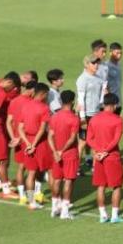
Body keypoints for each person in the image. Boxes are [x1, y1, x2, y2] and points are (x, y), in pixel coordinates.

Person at [87, 94, 123, 223]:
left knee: (101, 186)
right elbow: (116, 139)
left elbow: (89, 139)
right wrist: (105, 151)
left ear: (104, 104)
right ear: (114, 105)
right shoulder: (118, 120)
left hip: (98, 157)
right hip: (112, 157)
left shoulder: (94, 119)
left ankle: (102, 215)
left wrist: (98, 151)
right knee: (117, 186)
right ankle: (114, 216)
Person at [18, 82, 52, 210]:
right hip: (40, 143)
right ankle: (57, 201)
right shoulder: (44, 108)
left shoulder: (25, 105)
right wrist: (34, 144)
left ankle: (31, 202)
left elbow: (20, 128)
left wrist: (27, 143)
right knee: (50, 170)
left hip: (27, 141)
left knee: (31, 172)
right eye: (47, 95)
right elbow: (42, 129)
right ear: (42, 94)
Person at [47, 90, 80, 219]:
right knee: (69, 180)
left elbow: (50, 136)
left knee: (57, 180)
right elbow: (72, 139)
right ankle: (65, 211)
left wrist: (55, 151)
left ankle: (55, 208)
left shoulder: (54, 117)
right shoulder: (74, 118)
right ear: (72, 101)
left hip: (56, 154)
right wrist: (62, 151)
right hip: (69, 154)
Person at [6, 81, 36, 204]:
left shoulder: (14, 101)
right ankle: (31, 198)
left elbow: (9, 122)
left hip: (18, 140)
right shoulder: (31, 103)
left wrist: (13, 137)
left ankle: (22, 196)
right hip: (28, 139)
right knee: (31, 170)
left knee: (21, 168)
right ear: (32, 90)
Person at [77, 55, 105, 174]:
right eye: (93, 63)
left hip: (97, 114)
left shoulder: (99, 78)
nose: (96, 65)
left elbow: (101, 97)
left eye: (97, 63)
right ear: (87, 65)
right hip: (86, 114)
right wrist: (82, 118)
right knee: (83, 142)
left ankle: (95, 167)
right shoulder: (82, 79)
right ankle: (76, 167)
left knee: (96, 142)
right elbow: (80, 99)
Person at [106, 42, 123, 114]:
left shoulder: (119, 64)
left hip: (118, 102)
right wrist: (110, 102)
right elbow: (105, 85)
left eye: (120, 53)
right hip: (110, 104)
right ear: (110, 52)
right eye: (117, 53)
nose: (119, 55)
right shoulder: (106, 66)